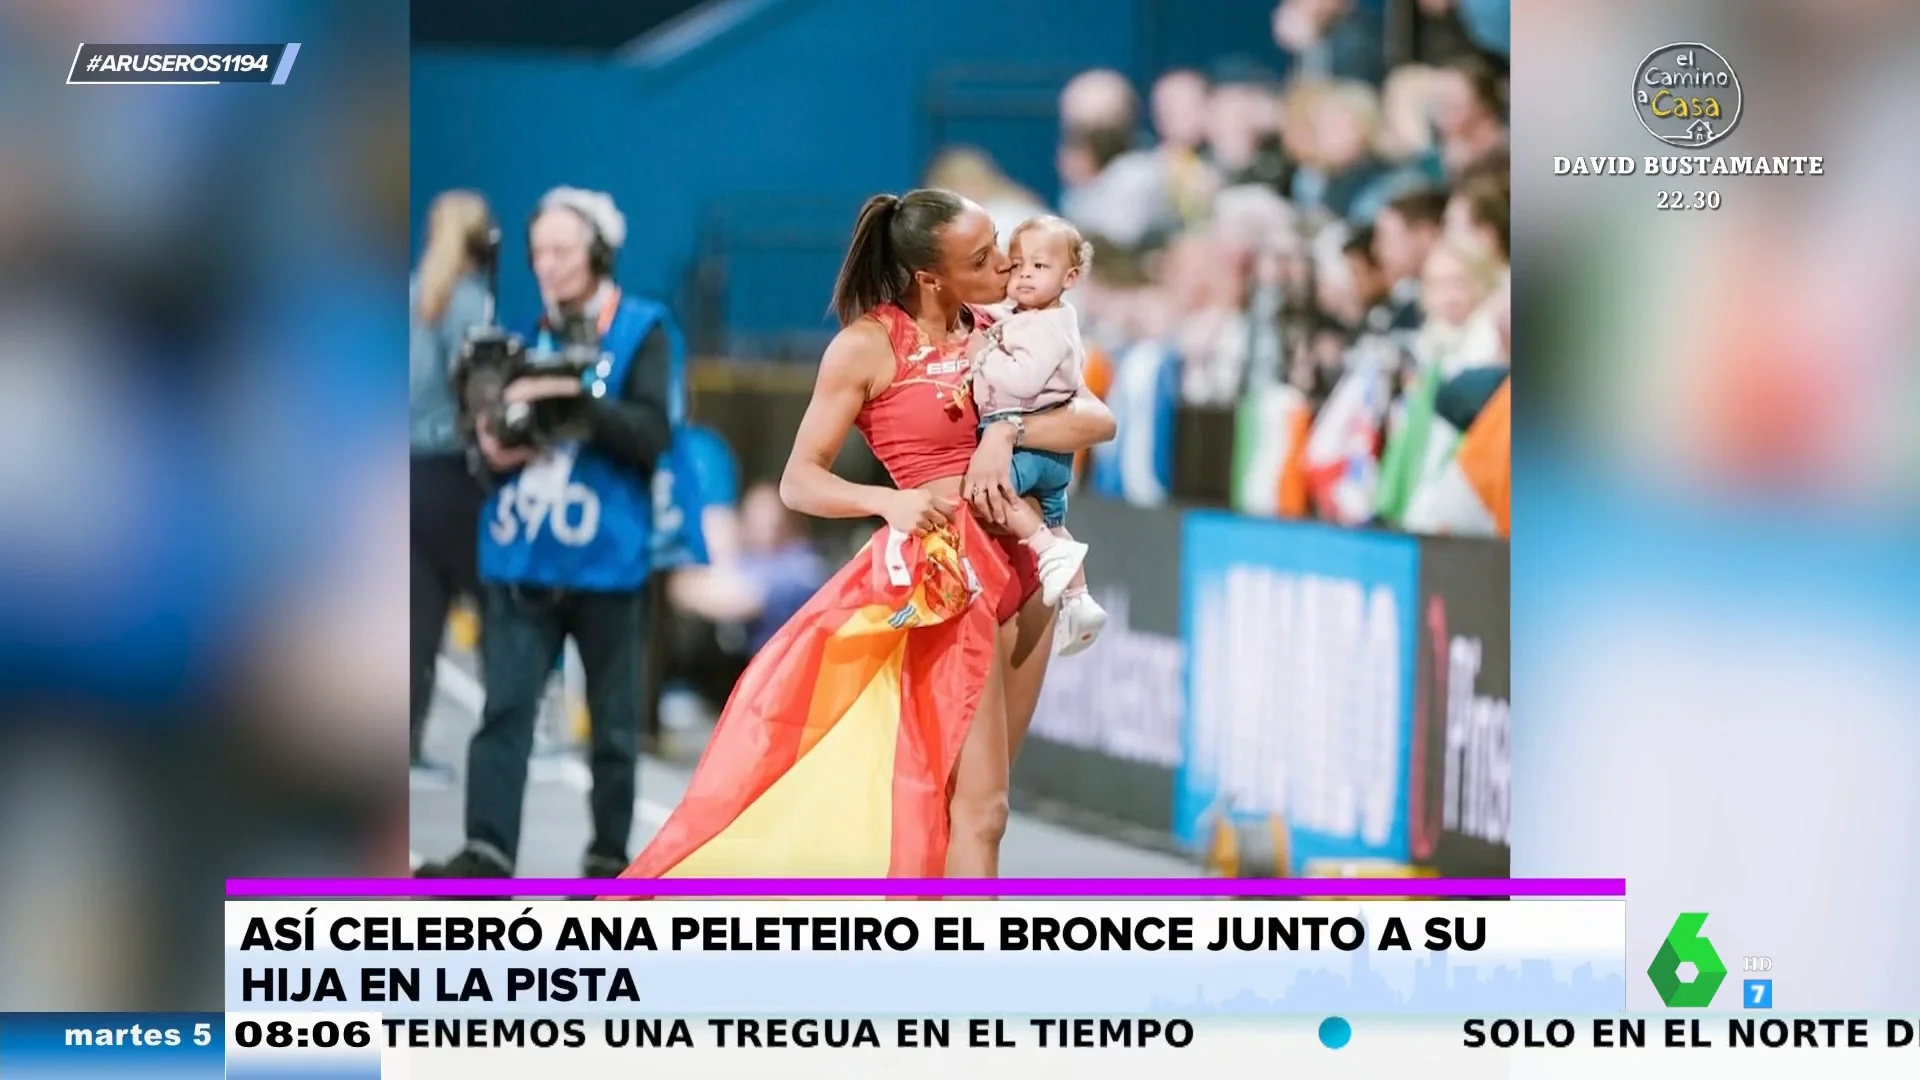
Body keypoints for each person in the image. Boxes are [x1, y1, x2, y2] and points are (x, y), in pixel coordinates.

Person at [622, 189, 1117, 880]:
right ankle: (975, 979)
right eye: (983, 257)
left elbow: (1097, 421)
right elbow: (800, 481)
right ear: (931, 277)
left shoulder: (1006, 325)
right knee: (982, 808)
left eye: (1001, 245)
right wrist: (889, 503)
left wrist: (1006, 433)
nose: (1006, 265)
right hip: (952, 573)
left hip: (1032, 565)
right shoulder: (866, 347)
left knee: (974, 802)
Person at [417, 186, 674, 880]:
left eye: (561, 250)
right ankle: (487, 851)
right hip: (524, 553)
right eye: (538, 253)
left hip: (608, 559)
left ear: (596, 251)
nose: (548, 265)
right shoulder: (523, 339)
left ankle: (608, 858)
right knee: (503, 712)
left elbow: (653, 433)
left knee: (613, 726)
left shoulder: (643, 328)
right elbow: (492, 457)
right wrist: (494, 441)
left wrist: (573, 403)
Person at [968, 215, 1107, 655]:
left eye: (1040, 267)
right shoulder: (1031, 315)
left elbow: (1024, 380)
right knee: (1053, 522)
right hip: (1051, 455)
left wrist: (981, 357)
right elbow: (1001, 318)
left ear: (1070, 278)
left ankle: (1046, 550)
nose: (1025, 273)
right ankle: (1078, 599)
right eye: (1018, 263)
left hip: (1032, 444)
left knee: (989, 492)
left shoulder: (1051, 327)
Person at [409, 190, 496, 768]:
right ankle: (509, 730)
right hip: (449, 474)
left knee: (418, 618)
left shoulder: (410, 296)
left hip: (402, 475)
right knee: (501, 606)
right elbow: (479, 399)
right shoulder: (468, 302)